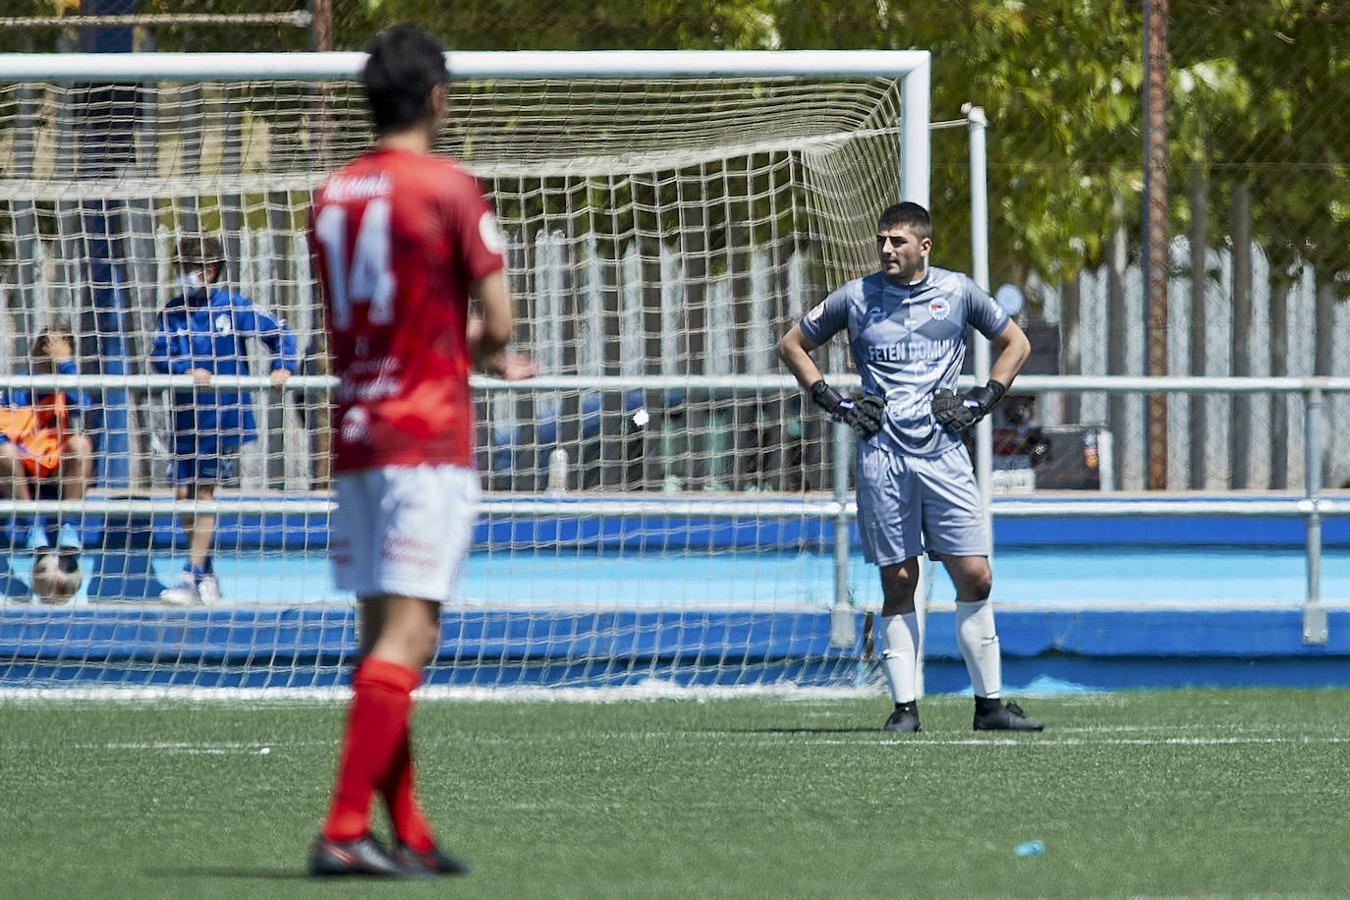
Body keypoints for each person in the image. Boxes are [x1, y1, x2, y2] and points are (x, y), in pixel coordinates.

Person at [307, 25, 535, 878]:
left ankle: (407, 832)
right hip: (426, 434)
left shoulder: (331, 193)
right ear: (438, 98)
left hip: (357, 432)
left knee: (378, 641)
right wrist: (486, 352)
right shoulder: (449, 188)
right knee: (414, 634)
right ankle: (339, 827)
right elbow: (500, 323)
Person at [777, 201, 1043, 734]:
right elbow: (792, 344)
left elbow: (1016, 343)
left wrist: (981, 401)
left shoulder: (958, 291)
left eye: (897, 241)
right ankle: (905, 709)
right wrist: (835, 402)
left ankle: (989, 705)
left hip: (945, 455)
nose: (886, 250)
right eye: (882, 240)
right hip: (882, 458)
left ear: (924, 247)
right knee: (899, 581)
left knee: (976, 574)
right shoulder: (856, 297)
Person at [150, 235, 298, 605]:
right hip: (185, 416)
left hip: (223, 413)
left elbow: (280, 332)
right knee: (184, 492)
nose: (184, 275)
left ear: (210, 270)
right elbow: (157, 356)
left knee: (202, 490)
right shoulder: (172, 311)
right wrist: (184, 369)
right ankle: (205, 572)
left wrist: (282, 366)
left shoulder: (233, 306)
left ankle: (189, 575)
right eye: (181, 268)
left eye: (191, 269)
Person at [0, 323, 93, 555]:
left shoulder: (66, 387)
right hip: (19, 468)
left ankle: (69, 527)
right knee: (5, 452)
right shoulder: (16, 387)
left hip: (54, 469)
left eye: (54, 351)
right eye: (43, 349)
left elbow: (83, 404)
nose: (46, 357)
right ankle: (32, 528)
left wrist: (65, 365)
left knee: (80, 445)